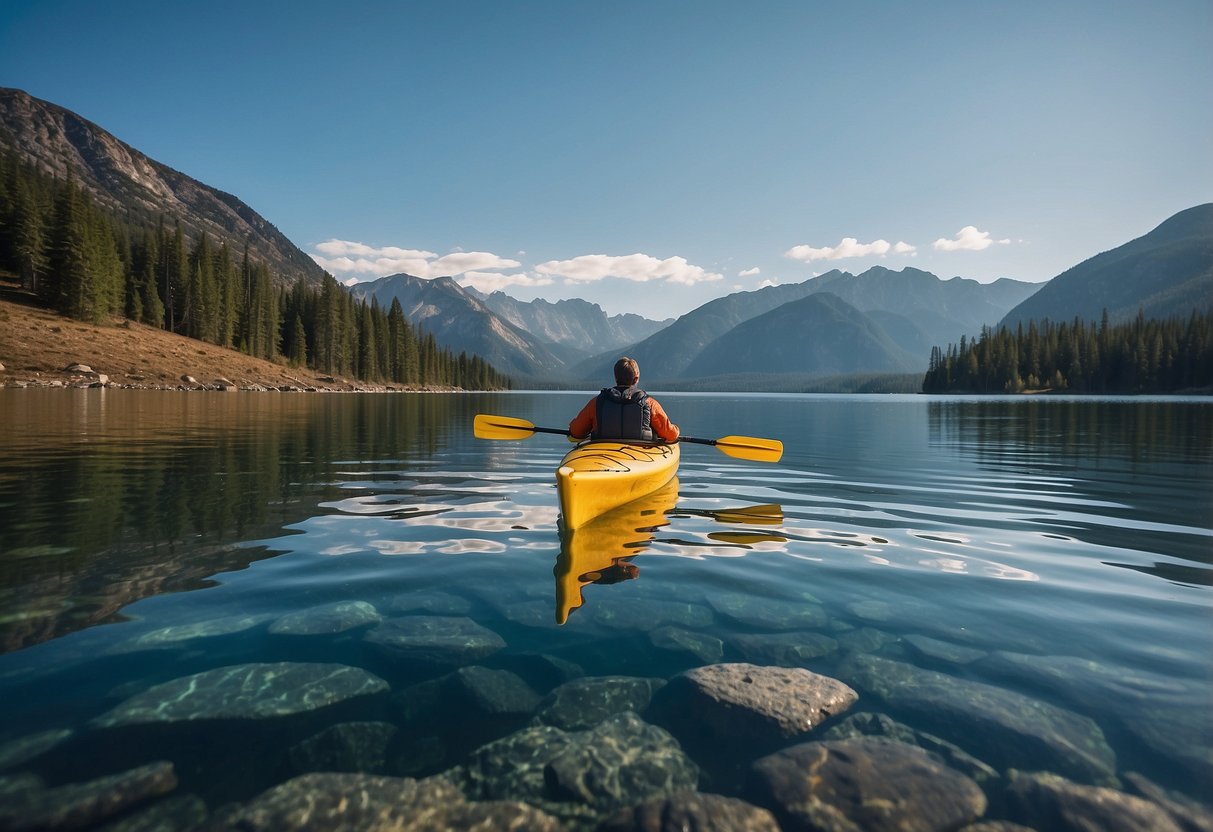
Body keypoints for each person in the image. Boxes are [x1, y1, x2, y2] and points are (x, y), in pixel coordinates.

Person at [569, 357, 680, 443]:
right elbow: (671, 435)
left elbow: (575, 432)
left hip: (603, 453)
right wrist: (676, 430)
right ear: (636, 379)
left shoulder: (597, 402)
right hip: (639, 455)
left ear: (616, 377)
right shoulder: (649, 404)